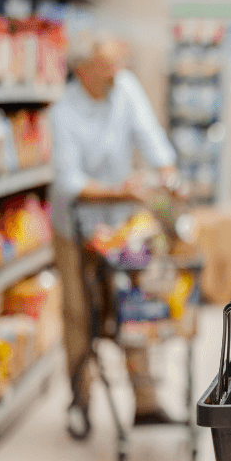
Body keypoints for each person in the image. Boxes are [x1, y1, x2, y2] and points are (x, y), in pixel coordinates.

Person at [49, 35, 181, 440]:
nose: (116, 73)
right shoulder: (62, 111)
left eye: (117, 65)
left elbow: (150, 137)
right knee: (79, 313)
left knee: (133, 305)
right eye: (107, 67)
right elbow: (71, 182)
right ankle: (80, 400)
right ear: (84, 70)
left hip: (121, 226)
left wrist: (168, 174)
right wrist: (126, 191)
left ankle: (145, 403)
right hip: (75, 227)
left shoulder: (124, 89)